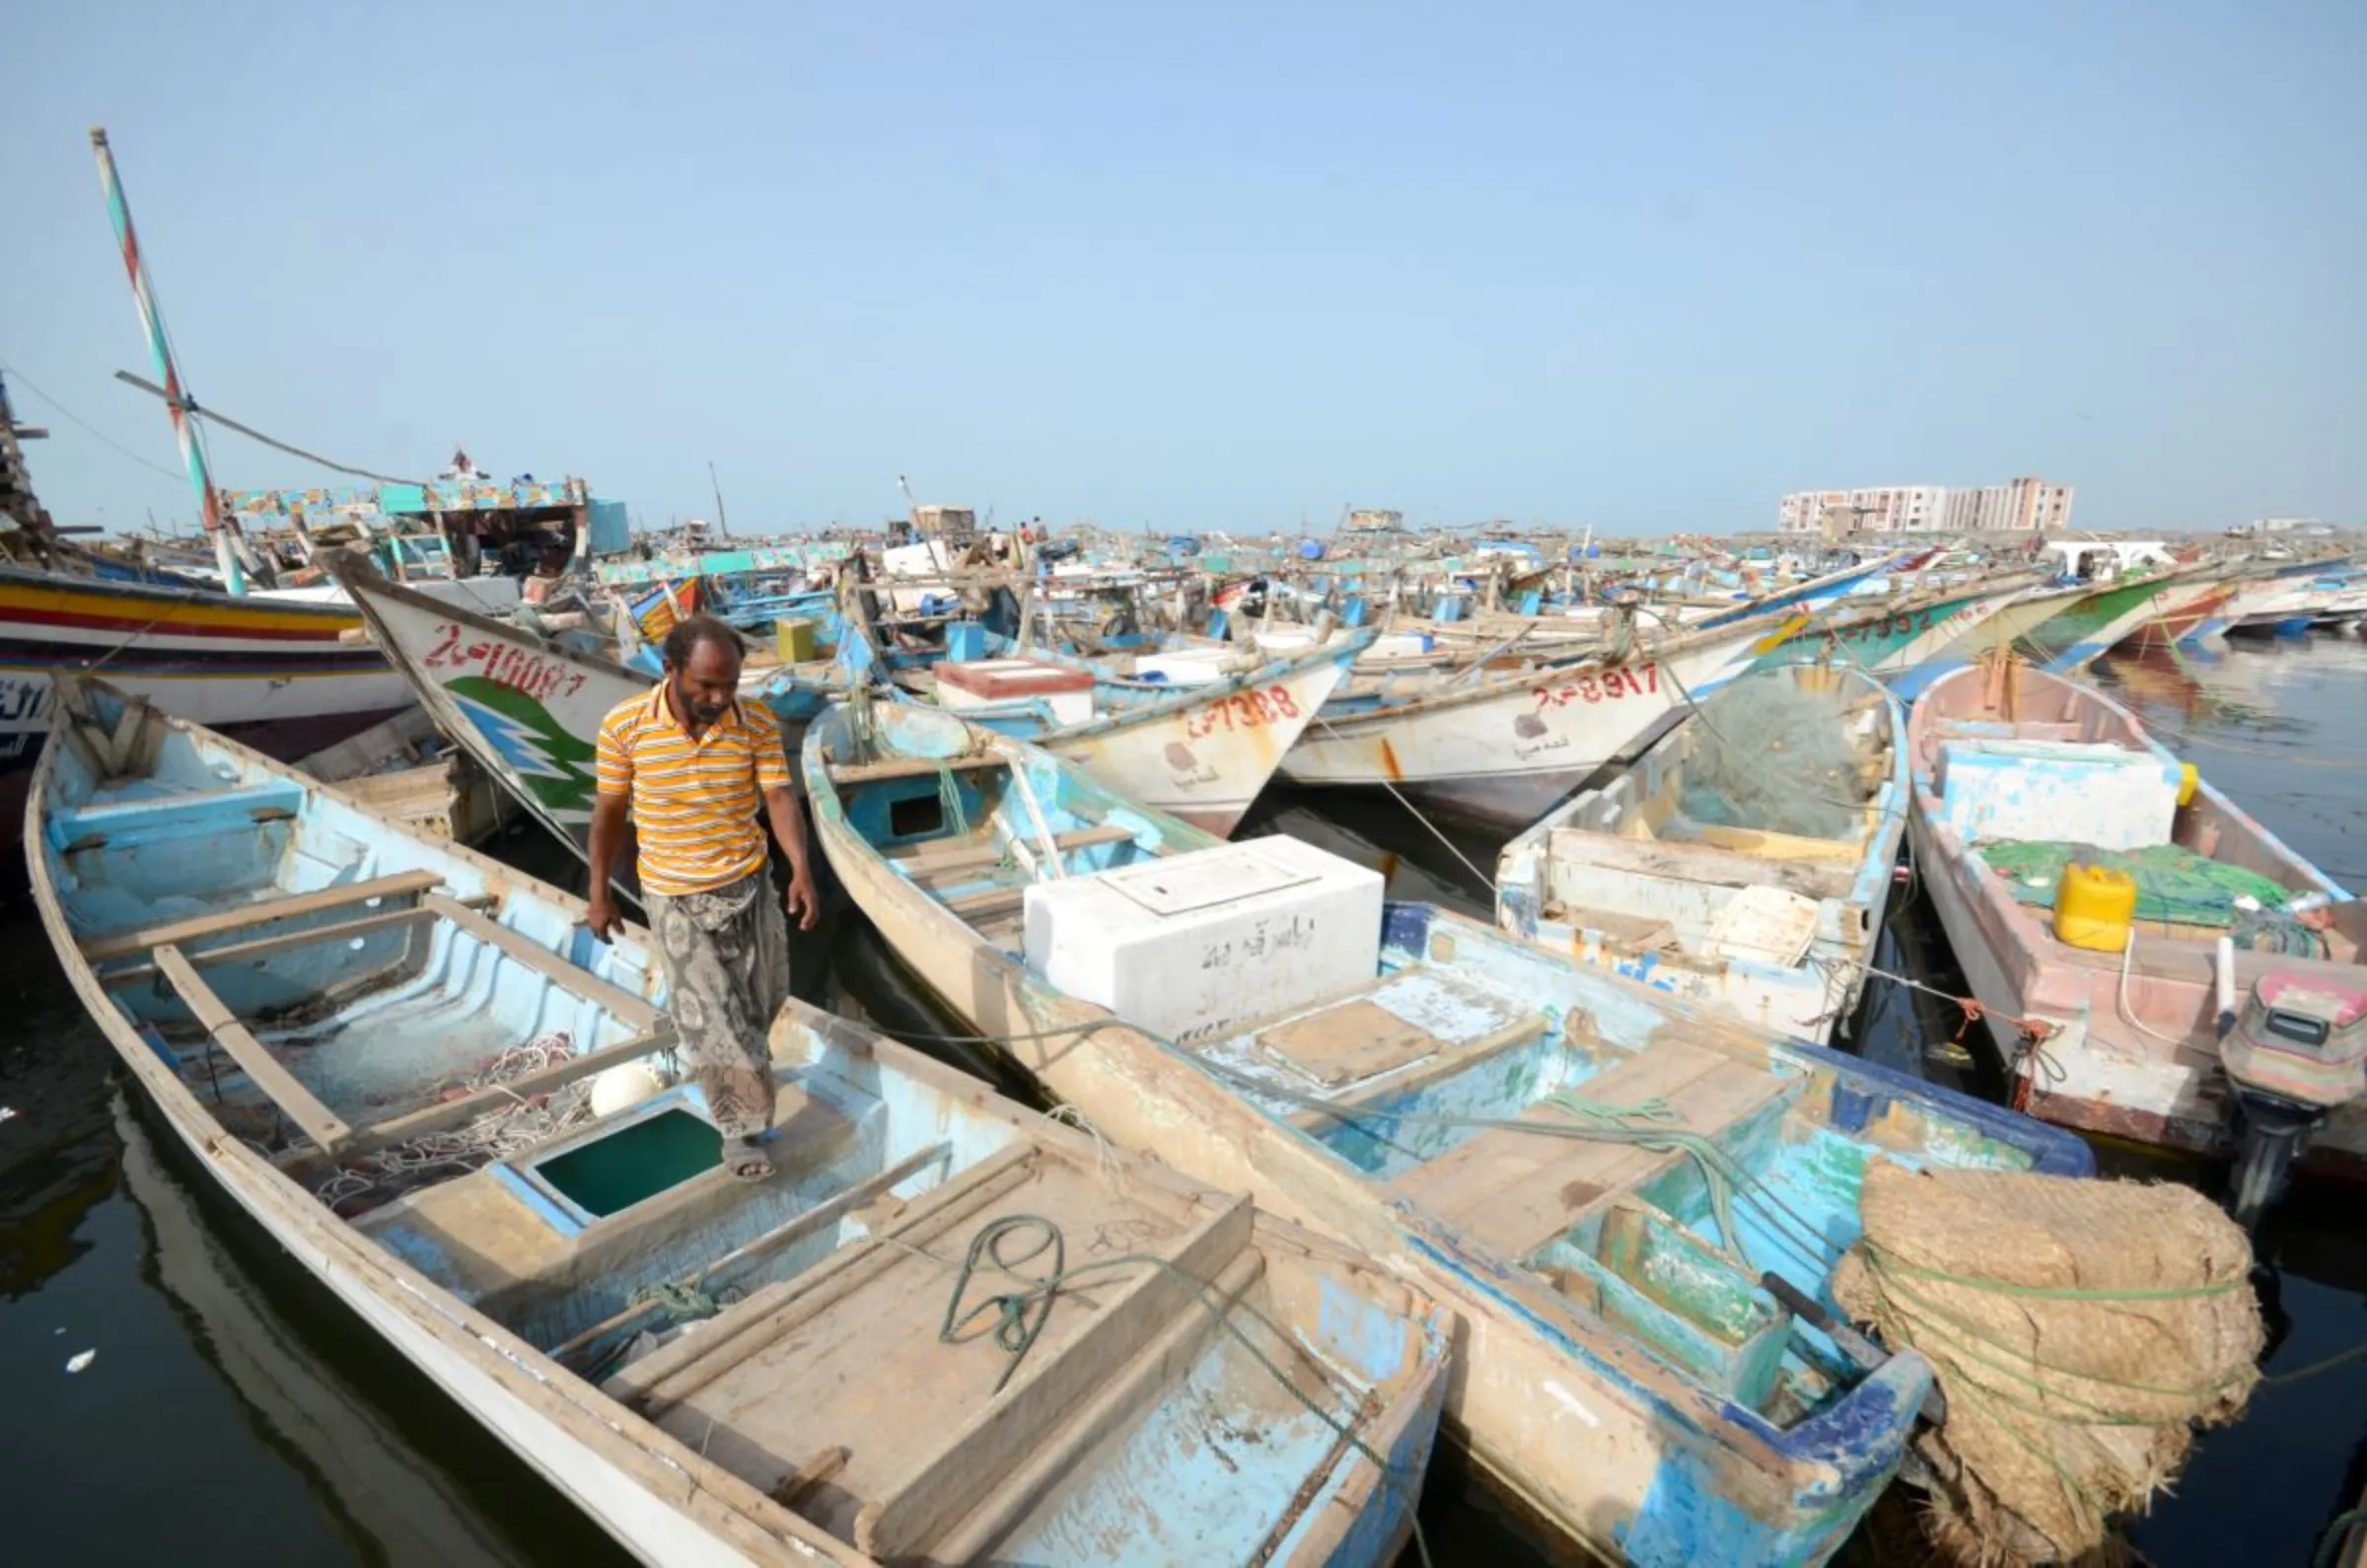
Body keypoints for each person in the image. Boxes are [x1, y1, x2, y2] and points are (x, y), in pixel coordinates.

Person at [585, 615, 821, 1179]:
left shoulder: (755, 721)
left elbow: (780, 798)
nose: (719, 698)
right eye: (706, 686)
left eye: (730, 685)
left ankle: (728, 1070)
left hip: (749, 884)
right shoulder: (626, 726)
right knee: (714, 1016)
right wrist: (599, 894)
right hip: (674, 895)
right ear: (670, 671)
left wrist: (802, 871)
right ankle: (741, 1133)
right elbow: (610, 815)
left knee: (762, 1000)